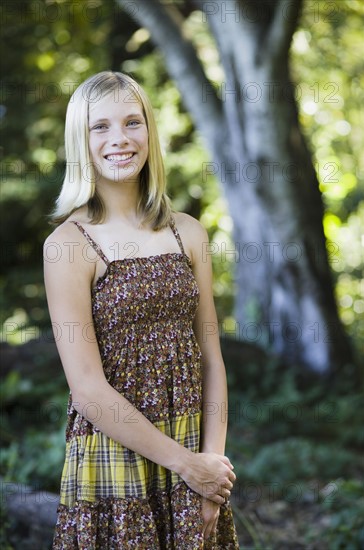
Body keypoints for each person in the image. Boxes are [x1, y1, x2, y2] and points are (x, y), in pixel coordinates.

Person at [44, 71, 239, 549]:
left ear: (149, 131)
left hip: (193, 446)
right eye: (100, 127)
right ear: (80, 141)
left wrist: (210, 468)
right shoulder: (68, 245)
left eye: (132, 122)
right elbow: (87, 389)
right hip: (114, 457)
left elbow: (211, 358)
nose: (120, 139)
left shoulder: (187, 233)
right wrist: (185, 465)